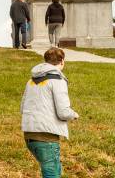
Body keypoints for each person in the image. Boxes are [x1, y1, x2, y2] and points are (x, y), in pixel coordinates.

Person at [21, 47, 79, 178]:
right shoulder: (58, 81)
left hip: (30, 136)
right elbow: (63, 112)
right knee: (52, 174)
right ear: (62, 61)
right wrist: (74, 115)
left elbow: (22, 108)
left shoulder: (31, 81)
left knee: (55, 171)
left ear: (45, 61)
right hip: (47, 138)